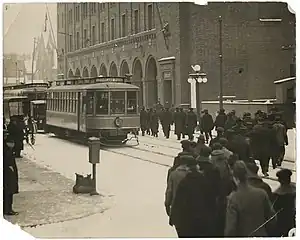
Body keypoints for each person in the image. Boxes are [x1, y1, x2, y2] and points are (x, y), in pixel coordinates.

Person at [225, 161, 276, 237]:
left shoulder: (233, 198)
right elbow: (272, 219)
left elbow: (230, 228)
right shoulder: (261, 193)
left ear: (236, 179)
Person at [171, 158, 216, 237]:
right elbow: (211, 200)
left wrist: (173, 217)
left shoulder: (184, 183)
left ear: (188, 169)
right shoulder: (204, 180)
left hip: (187, 220)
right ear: (196, 167)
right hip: (202, 219)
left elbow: (178, 202)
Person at [165, 155, 194, 232]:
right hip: (192, 207)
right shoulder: (193, 174)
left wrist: (167, 204)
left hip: (177, 207)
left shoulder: (174, 173)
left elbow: (169, 191)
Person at [272, 169, 296, 237]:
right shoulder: (294, 190)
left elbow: (273, 210)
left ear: (280, 180)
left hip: (280, 221)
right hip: (291, 220)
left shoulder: (277, 194)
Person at [3, 130, 19, 215]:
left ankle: (8, 208)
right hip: (7, 173)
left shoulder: (7, 148)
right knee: (8, 192)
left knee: (9, 192)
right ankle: (7, 209)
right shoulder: (5, 149)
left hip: (9, 172)